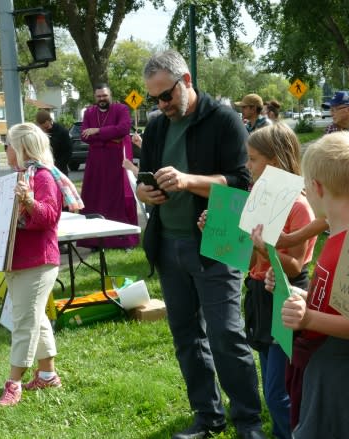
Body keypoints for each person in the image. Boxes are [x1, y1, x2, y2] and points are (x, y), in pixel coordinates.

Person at [136, 49, 266, 439]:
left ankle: (248, 422)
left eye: (166, 95)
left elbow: (243, 183)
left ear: (187, 81)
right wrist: (145, 192)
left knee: (226, 335)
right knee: (187, 336)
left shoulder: (225, 120)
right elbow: (149, 176)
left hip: (218, 241)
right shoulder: (158, 127)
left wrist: (190, 181)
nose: (161, 105)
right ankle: (208, 416)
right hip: (169, 244)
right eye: (153, 99)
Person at [268, 131, 349, 437]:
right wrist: (297, 294)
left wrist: (309, 318)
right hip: (322, 367)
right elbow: (331, 297)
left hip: (340, 375)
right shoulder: (337, 235)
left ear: (316, 188)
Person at [0, 123, 83, 407]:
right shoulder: (18, 177)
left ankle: (13, 383)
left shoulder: (42, 177)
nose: (5, 149)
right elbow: (6, 221)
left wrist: (29, 201)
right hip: (19, 260)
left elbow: (49, 218)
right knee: (35, 318)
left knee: (24, 322)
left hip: (38, 261)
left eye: (8, 144)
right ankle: (47, 375)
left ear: (22, 148)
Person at [243, 124, 317, 439]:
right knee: (272, 385)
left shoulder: (299, 206)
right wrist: (221, 232)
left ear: (273, 162)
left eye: (253, 159)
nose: (247, 166)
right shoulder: (257, 199)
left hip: (286, 297)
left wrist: (263, 246)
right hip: (259, 294)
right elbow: (247, 262)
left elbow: (294, 265)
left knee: (278, 391)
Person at [79, 83, 139, 248]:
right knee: (94, 198)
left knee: (119, 198)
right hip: (96, 162)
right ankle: (94, 240)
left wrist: (98, 131)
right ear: (95, 97)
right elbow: (84, 136)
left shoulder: (121, 109)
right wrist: (110, 137)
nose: (101, 99)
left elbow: (123, 129)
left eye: (104, 95)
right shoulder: (89, 112)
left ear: (110, 95)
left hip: (117, 160)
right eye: (98, 96)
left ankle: (124, 240)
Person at [35, 109, 72, 175]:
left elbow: (68, 152)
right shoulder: (38, 132)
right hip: (43, 168)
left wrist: (56, 165)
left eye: (45, 127)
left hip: (59, 169)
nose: (44, 129)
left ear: (49, 121)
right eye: (42, 127)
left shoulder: (62, 132)